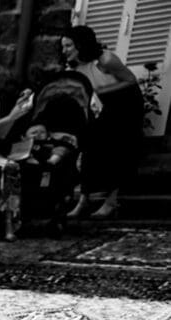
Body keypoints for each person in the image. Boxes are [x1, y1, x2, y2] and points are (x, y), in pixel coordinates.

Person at [62, 25, 142, 219]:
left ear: (81, 44)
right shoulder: (73, 66)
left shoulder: (106, 60)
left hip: (125, 103)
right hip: (103, 104)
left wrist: (101, 92)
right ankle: (84, 200)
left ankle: (111, 202)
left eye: (68, 46)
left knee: (116, 147)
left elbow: (131, 80)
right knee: (89, 145)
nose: (64, 51)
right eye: (63, 46)